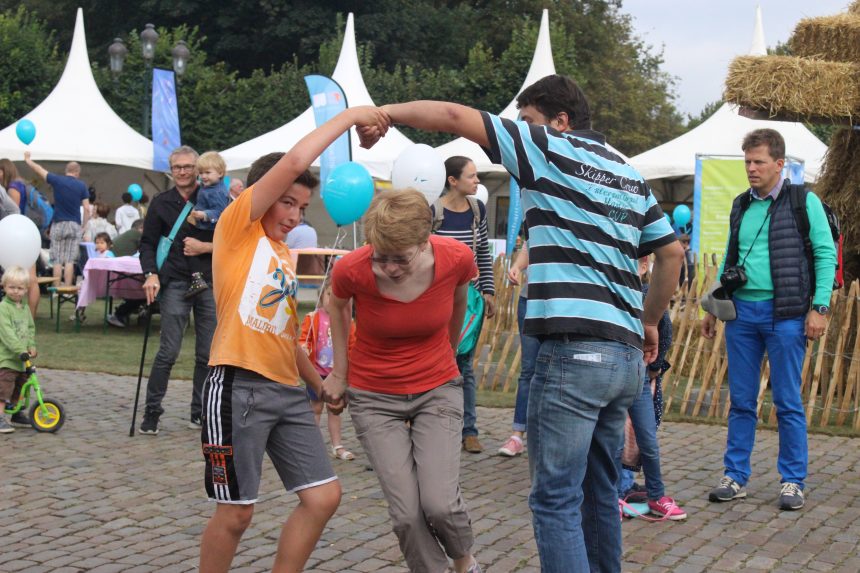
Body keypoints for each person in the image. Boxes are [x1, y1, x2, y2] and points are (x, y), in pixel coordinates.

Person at [361, 74, 683, 573]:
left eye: (527, 121)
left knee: (554, 501)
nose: (519, 132)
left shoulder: (548, 147)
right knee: (598, 495)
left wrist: (383, 112)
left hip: (573, 353)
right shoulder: (627, 171)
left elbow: (453, 118)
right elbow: (670, 253)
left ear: (560, 121)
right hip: (622, 360)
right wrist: (650, 320)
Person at [197, 105, 387, 573]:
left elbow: (285, 336)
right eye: (288, 203)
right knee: (238, 513)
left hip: (287, 392)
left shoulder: (283, 254)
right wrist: (351, 117)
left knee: (324, 496)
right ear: (265, 195)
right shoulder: (238, 230)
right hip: (237, 387)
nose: (295, 215)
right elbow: (294, 164)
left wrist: (320, 386)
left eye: (302, 208)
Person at [323, 189, 482, 573]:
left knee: (440, 503)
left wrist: (447, 353)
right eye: (382, 257)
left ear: (424, 241)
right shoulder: (353, 268)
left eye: (401, 258)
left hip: (436, 388)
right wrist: (340, 372)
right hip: (374, 394)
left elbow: (459, 301)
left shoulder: (456, 258)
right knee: (407, 514)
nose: (390, 268)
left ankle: (463, 560)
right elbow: (336, 306)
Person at [701, 128, 836, 511]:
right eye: (747, 161)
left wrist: (820, 307)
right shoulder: (741, 204)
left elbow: (827, 256)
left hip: (788, 315)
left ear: (780, 163)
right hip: (741, 315)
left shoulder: (803, 201)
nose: (751, 169)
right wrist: (712, 307)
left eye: (759, 161)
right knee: (741, 401)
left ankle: (793, 481)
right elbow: (730, 260)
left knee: (788, 401)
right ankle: (735, 475)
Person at [138, 146, 217, 435]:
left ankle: (200, 412)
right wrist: (150, 274)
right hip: (175, 282)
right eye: (177, 167)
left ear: (197, 168)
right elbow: (147, 244)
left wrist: (204, 247)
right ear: (171, 171)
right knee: (168, 351)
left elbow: (233, 240)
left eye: (188, 166)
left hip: (208, 280)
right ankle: (152, 412)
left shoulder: (215, 197)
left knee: (207, 354)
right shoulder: (161, 202)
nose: (182, 172)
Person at [431, 155, 496, 453]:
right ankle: (434, 426)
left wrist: (488, 291)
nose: (477, 181)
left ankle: (469, 430)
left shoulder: (476, 210)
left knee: (465, 365)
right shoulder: (433, 211)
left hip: (468, 301)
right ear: (452, 181)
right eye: (471, 176)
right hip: (437, 299)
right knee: (435, 363)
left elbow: (482, 251)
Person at [616, 256, 686, 520]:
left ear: (644, 266)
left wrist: (654, 367)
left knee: (645, 438)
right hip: (616, 377)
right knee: (615, 438)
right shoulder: (612, 293)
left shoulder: (649, 296)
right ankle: (615, 494)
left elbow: (663, 333)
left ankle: (657, 495)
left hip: (642, 378)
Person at [299, 274, 357, 461]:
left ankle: (337, 445)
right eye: (328, 295)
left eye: (335, 296)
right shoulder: (313, 317)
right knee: (315, 409)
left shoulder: (348, 321)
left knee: (334, 410)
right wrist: (303, 347)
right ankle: (312, 446)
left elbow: (352, 345)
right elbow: (303, 338)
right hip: (317, 373)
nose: (331, 300)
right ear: (321, 295)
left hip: (336, 374)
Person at [497, 240, 538, 458]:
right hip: (529, 301)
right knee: (529, 370)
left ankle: (546, 435)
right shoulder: (538, 211)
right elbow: (529, 246)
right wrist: (517, 267)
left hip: (560, 304)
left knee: (555, 371)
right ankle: (517, 435)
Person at [24, 152, 90, 286]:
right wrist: (84, 225)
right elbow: (87, 208)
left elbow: (40, 170)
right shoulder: (82, 185)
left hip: (58, 223)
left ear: (67, 171)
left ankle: (56, 290)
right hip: (74, 224)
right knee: (70, 260)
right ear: (77, 172)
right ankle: (66, 290)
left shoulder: (57, 180)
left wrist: (28, 160)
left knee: (57, 260)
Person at [184, 151, 230, 299]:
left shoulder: (216, 192)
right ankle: (198, 278)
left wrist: (204, 215)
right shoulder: (209, 188)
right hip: (204, 226)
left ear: (220, 173)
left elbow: (220, 212)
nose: (203, 176)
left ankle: (197, 279)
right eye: (201, 173)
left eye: (208, 172)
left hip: (209, 228)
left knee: (190, 247)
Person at [0, 160, 40, 318]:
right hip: (23, 234)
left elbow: (14, 210)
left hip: (17, 236)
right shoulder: (15, 186)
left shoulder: (12, 188)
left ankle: (28, 321)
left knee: (30, 280)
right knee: (29, 280)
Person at [0, 266, 36, 433]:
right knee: (4, 387)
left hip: (22, 358)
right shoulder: (3, 308)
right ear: (4, 286)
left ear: (26, 289)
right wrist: (19, 349)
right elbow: (6, 333)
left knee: (22, 385)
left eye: (20, 288)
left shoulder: (25, 308)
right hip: (7, 358)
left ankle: (16, 413)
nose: (16, 291)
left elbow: (30, 328)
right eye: (12, 287)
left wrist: (31, 345)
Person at [106, 220, 146, 328]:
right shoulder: (138, 235)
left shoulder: (126, 235)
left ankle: (124, 311)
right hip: (129, 268)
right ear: (141, 228)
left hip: (120, 269)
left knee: (141, 292)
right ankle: (120, 313)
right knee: (143, 293)